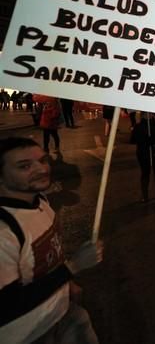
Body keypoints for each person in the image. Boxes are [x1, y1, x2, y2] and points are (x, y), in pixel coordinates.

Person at [0, 137, 103, 343]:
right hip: (29, 334)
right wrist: (72, 267)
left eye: (43, 160)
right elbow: (6, 306)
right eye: (25, 166)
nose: (41, 169)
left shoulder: (40, 200)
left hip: (64, 313)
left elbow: (49, 255)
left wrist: (68, 283)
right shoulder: (4, 231)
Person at [131, 113, 155, 202]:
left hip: (148, 153)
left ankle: (149, 195)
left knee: (150, 173)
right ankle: (153, 194)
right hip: (149, 152)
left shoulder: (140, 126)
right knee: (153, 172)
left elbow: (133, 140)